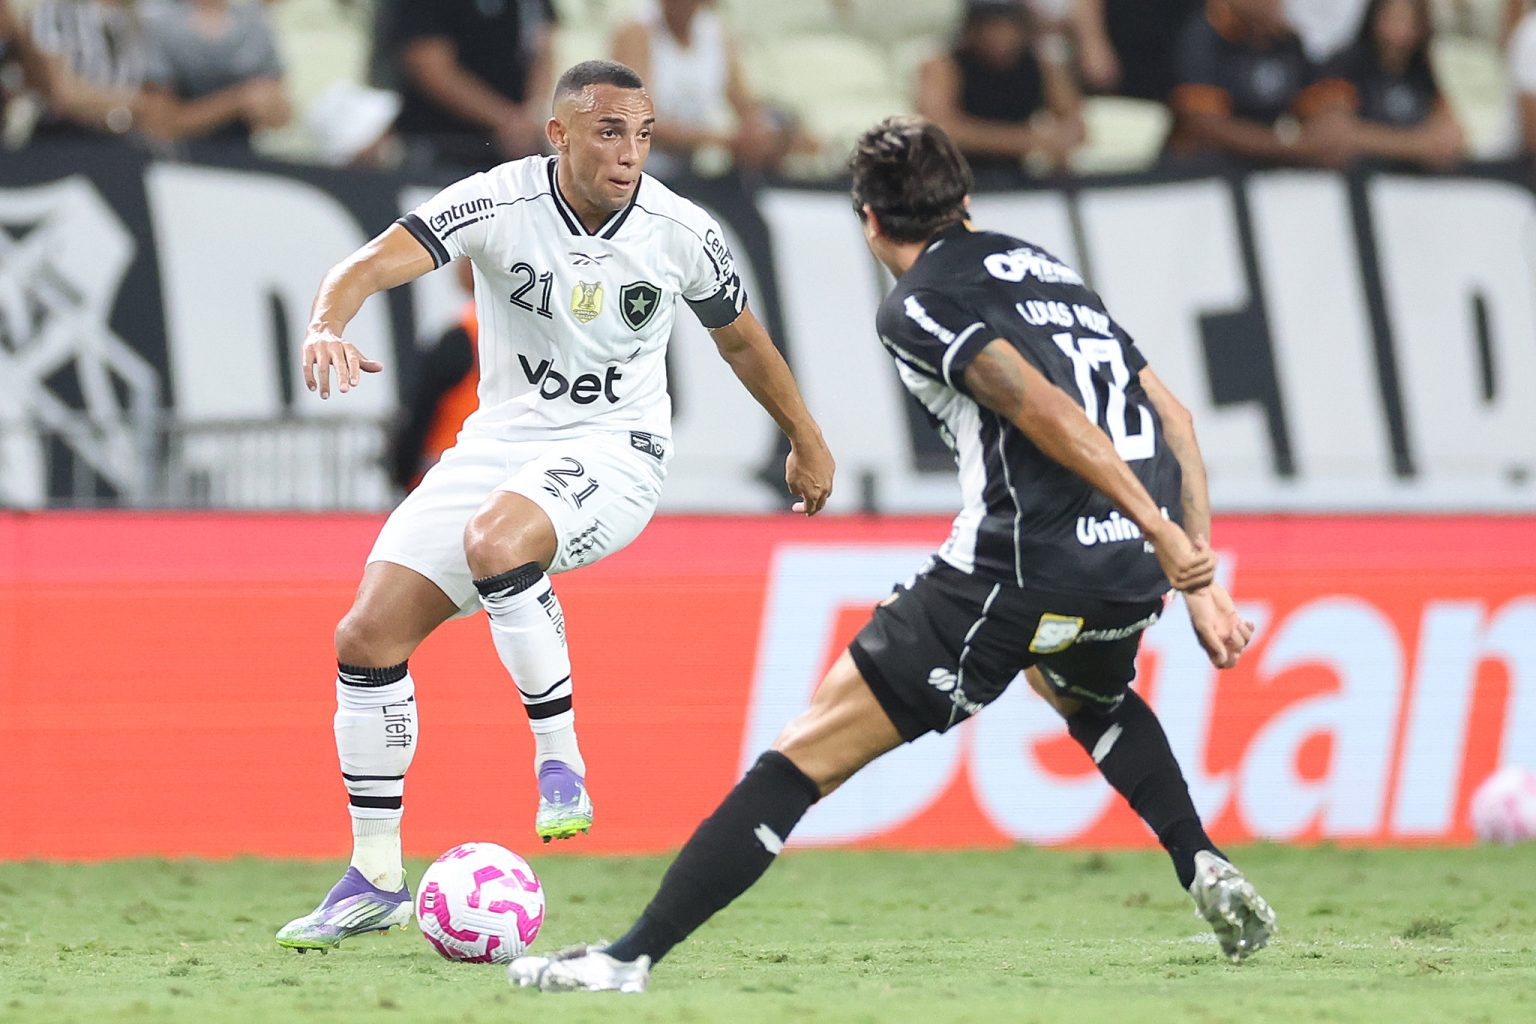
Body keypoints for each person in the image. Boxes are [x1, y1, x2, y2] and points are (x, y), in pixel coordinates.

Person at [508, 115, 1274, 994]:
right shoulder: (1047, 270)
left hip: (1023, 569)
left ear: (869, 219)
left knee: (806, 751)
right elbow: (1173, 416)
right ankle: (1202, 860)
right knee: (1083, 688)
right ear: (965, 198)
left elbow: (1042, 411)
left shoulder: (919, 304)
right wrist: (1191, 569)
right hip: (1129, 572)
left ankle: (627, 958)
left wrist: (1175, 544)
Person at [274, 60, 836, 952]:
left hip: (618, 451)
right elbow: (371, 263)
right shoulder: (496, 201)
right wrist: (324, 324)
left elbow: (741, 341)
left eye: (643, 133)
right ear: (559, 134)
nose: (630, 152)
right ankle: (375, 876)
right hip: (498, 446)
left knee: (498, 539)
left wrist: (805, 436)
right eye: (610, 131)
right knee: (366, 637)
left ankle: (560, 761)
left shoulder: (681, 231)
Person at [611, 0, 811, 179]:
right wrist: (724, 141)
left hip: (690, 169)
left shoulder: (717, 33)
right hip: (644, 170)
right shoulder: (636, 32)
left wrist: (771, 132)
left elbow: (745, 105)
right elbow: (638, 124)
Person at [1164, 0, 1359, 168]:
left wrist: (1327, 132)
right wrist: (1292, 147)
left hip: (1274, 167)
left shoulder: (1291, 38)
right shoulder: (1205, 33)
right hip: (1207, 168)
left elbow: (1327, 106)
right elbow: (1203, 125)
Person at [917, 0, 1084, 185]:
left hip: (1019, 174)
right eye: (990, 26)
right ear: (972, 29)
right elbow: (939, 130)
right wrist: (1024, 141)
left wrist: (1058, 143)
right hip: (953, 176)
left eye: (1009, 26)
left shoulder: (1042, 66)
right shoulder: (944, 66)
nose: (1000, 36)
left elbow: (1074, 124)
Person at [383, 0, 556, 171]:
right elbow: (427, 64)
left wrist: (531, 114)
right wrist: (508, 121)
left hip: (516, 150)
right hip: (441, 146)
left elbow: (543, 49)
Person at [1324, 0, 1465, 171]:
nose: (1399, 29)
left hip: (1413, 182)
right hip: (1357, 177)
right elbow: (1334, 135)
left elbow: (1450, 139)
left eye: (1408, 19)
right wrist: (1420, 145)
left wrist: (1369, 138)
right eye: (1393, 17)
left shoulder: (1426, 73)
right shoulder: (1346, 66)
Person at [136, 0, 290, 149]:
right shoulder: (162, 25)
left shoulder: (254, 25)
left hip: (242, 152)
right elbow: (160, 124)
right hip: (181, 155)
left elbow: (280, 117)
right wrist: (238, 100)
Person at [386, 259, 480, 493]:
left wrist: (402, 470)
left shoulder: (463, 335)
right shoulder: (535, 333)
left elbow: (422, 406)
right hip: (513, 471)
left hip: (450, 467)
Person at [26, 0, 151, 140]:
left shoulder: (140, 17)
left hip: (129, 135)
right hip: (64, 135)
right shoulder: (56, 11)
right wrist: (138, 104)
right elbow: (65, 94)